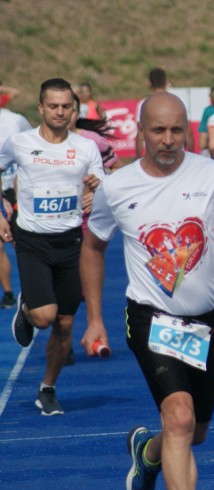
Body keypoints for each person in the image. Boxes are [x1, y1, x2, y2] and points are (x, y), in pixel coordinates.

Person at [80, 92, 214, 490]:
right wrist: (95, 318)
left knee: (194, 431)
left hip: (208, 321)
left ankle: (147, 453)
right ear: (140, 135)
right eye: (159, 130)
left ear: (189, 132)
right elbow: (93, 247)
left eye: (177, 130)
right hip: (151, 318)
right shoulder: (117, 188)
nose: (168, 139)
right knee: (179, 417)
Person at [0, 78, 104, 415]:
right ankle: (29, 311)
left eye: (66, 107)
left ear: (74, 110)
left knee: (65, 324)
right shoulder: (19, 142)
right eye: (53, 106)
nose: (60, 112)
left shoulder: (86, 148)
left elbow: (99, 185)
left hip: (71, 241)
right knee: (45, 318)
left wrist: (93, 190)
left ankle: (48, 388)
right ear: (41, 108)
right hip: (32, 240)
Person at [0, 104, 31, 308]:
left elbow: (33, 145)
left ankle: (32, 291)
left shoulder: (15, 119)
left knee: (22, 243)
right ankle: (9, 293)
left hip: (15, 189)